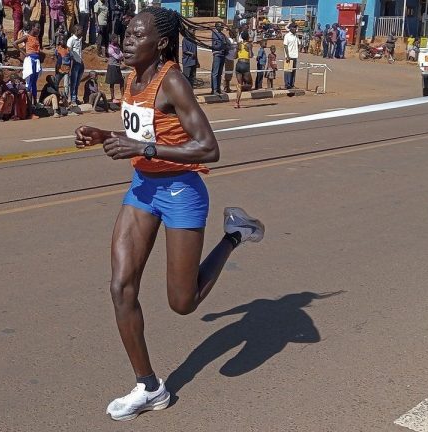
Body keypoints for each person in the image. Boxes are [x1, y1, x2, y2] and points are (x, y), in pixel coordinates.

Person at [74, 7, 264, 422]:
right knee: (121, 287)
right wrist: (105, 136)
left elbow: (209, 148)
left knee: (183, 302)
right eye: (126, 33)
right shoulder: (132, 77)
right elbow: (144, 134)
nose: (126, 41)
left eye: (136, 35)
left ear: (159, 43)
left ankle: (235, 234)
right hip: (143, 188)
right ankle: (149, 387)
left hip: (181, 192)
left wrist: (143, 149)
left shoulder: (172, 81)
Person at [14, 21, 45, 107]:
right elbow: (15, 43)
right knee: (29, 82)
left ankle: (35, 102)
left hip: (36, 60)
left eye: (40, 28)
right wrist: (24, 53)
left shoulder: (36, 38)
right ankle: (28, 103)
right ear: (33, 27)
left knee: (34, 82)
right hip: (30, 60)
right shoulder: (27, 37)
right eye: (37, 27)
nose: (39, 29)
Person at [234, 31, 252, 109]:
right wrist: (249, 50)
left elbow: (235, 57)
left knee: (239, 84)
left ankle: (237, 102)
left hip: (238, 64)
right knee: (250, 84)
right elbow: (250, 55)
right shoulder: (249, 45)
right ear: (247, 37)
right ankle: (241, 87)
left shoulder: (239, 45)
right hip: (245, 65)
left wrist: (238, 50)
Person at [67, 24, 85, 106]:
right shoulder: (71, 40)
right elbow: (69, 51)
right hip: (75, 63)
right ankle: (73, 99)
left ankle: (76, 98)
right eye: (81, 29)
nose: (82, 31)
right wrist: (73, 61)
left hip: (80, 62)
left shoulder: (79, 39)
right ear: (77, 31)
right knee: (73, 82)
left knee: (77, 82)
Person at [210, 22, 226, 95]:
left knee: (220, 73)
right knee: (215, 73)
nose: (222, 27)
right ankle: (215, 89)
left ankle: (218, 88)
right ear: (217, 27)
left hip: (222, 54)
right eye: (220, 26)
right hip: (217, 54)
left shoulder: (222, 34)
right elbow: (216, 45)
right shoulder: (215, 34)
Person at [282, 23, 299, 89]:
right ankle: (287, 84)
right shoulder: (287, 36)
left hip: (295, 56)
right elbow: (285, 46)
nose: (295, 29)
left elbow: (299, 44)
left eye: (296, 27)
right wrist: (287, 55)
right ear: (291, 28)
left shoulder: (296, 36)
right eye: (294, 27)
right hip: (289, 56)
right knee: (287, 71)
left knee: (293, 71)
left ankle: (292, 84)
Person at [223, 28, 237, 93]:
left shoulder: (234, 41)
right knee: (227, 73)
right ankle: (225, 88)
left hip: (231, 59)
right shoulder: (229, 40)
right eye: (235, 33)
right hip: (228, 58)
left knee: (230, 73)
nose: (236, 34)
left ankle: (227, 87)